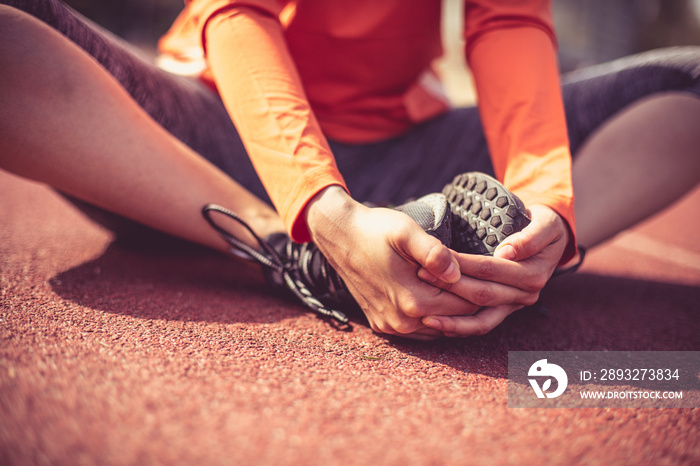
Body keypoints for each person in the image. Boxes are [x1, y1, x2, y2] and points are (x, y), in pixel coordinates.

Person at [1, 0, 699, 340]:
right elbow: (237, 9)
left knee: (690, 87)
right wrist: (320, 212)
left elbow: (506, 18)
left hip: (406, 152)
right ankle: (292, 252)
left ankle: (514, 260)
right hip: (210, 144)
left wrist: (550, 198)